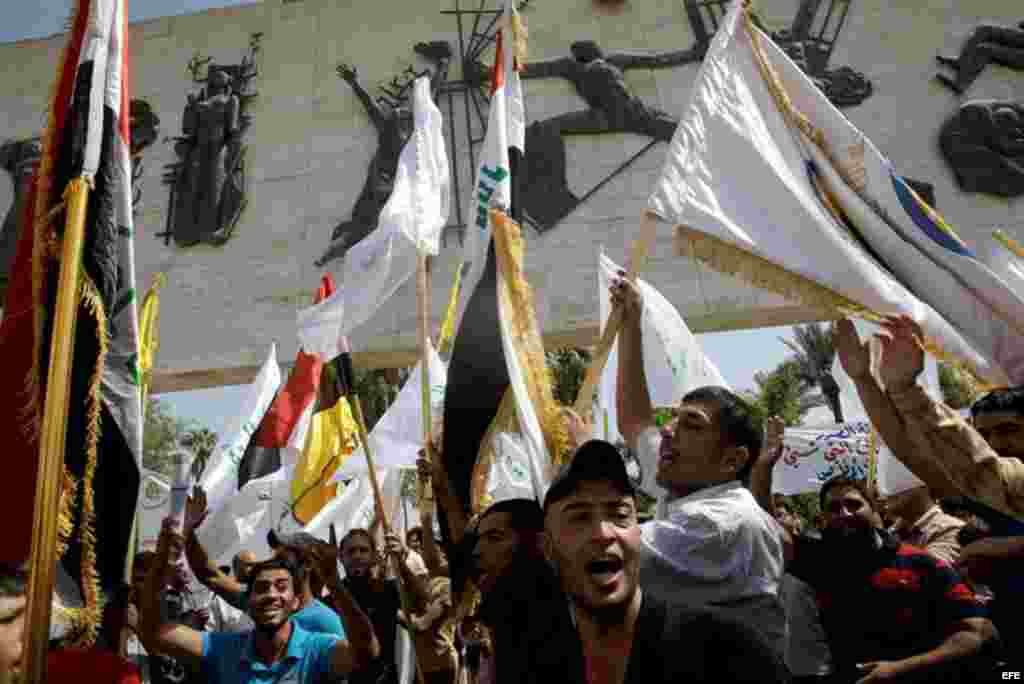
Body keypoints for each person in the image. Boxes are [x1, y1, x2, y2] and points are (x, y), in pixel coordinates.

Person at [612, 273, 786, 653]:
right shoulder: (687, 485)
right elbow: (635, 422)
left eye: (691, 424)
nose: (669, 432)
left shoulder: (718, 522)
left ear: (732, 460)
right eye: (672, 420)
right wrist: (630, 324)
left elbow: (601, 555)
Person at [534, 439, 789, 683]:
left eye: (619, 514)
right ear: (547, 548)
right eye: (579, 518)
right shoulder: (536, 664)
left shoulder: (729, 654)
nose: (604, 533)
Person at [787, 477, 996, 683]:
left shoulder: (921, 563)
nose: (845, 513)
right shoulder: (818, 565)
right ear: (823, 518)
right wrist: (763, 467)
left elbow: (980, 632)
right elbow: (768, 532)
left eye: (854, 504)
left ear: (874, 508)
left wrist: (900, 668)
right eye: (834, 508)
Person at [141, 518, 379, 684]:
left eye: (281, 586)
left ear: (294, 601)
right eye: (261, 588)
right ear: (250, 601)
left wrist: (335, 584)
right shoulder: (226, 648)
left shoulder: (317, 645)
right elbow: (156, 632)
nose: (271, 595)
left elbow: (366, 653)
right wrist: (166, 553)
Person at [833, 316, 1024, 519]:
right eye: (983, 434)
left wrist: (904, 389)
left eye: (1008, 430)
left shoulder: (997, 480)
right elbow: (907, 451)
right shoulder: (978, 491)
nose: (994, 442)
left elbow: (983, 471)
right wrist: (863, 379)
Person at [183, 488, 345, 637]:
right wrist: (188, 530)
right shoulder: (264, 603)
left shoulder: (326, 623)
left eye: (287, 552)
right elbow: (210, 575)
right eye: (276, 550)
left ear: (308, 564)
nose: (276, 557)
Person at [339, 527, 425, 684]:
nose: (357, 556)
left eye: (363, 550)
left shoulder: (387, 589)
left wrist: (401, 562)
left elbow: (421, 604)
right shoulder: (334, 598)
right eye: (351, 551)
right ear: (341, 557)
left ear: (373, 556)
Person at [882, 486, 965, 565]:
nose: (885, 490)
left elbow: (931, 574)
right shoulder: (892, 531)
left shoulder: (951, 528)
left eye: (896, 479)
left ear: (923, 484)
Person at [397, 576, 457, 684]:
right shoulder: (421, 608)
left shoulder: (442, 604)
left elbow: (422, 624)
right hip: (429, 664)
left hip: (440, 663)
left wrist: (399, 615)